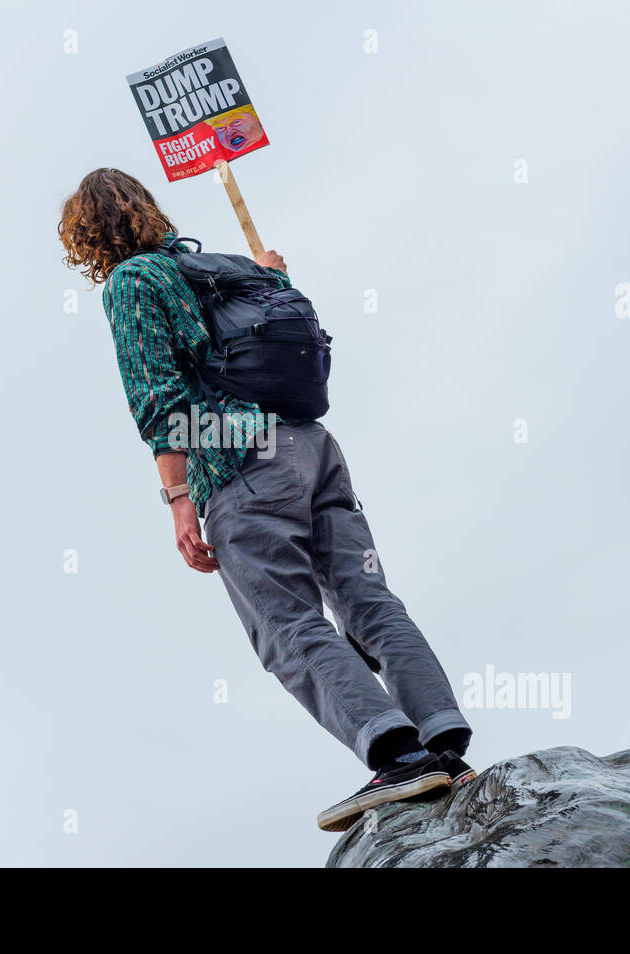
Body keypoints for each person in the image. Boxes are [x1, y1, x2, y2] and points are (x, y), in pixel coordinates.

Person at [58, 167, 476, 831]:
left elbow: (158, 397)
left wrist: (178, 500)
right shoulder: (228, 268)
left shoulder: (133, 283)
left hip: (241, 461)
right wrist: (273, 272)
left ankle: (398, 756)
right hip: (313, 447)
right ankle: (444, 744)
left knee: (285, 620)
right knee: (367, 598)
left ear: (88, 238)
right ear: (148, 210)